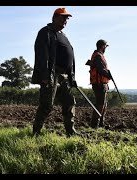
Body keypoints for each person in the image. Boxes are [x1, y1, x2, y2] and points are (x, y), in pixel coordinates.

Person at [31, 7, 80, 137]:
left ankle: (70, 131)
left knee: (70, 102)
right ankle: (36, 132)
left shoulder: (63, 35)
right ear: (55, 17)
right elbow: (42, 55)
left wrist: (72, 77)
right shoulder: (46, 32)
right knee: (46, 105)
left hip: (64, 76)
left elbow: (70, 57)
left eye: (67, 19)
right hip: (52, 75)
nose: (65, 21)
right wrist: (46, 75)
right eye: (63, 17)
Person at [87, 39, 112, 128]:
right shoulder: (98, 56)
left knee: (103, 104)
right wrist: (108, 75)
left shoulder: (98, 55)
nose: (106, 48)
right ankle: (95, 125)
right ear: (102, 46)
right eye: (105, 46)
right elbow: (100, 69)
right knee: (100, 104)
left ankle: (101, 124)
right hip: (99, 83)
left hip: (101, 83)